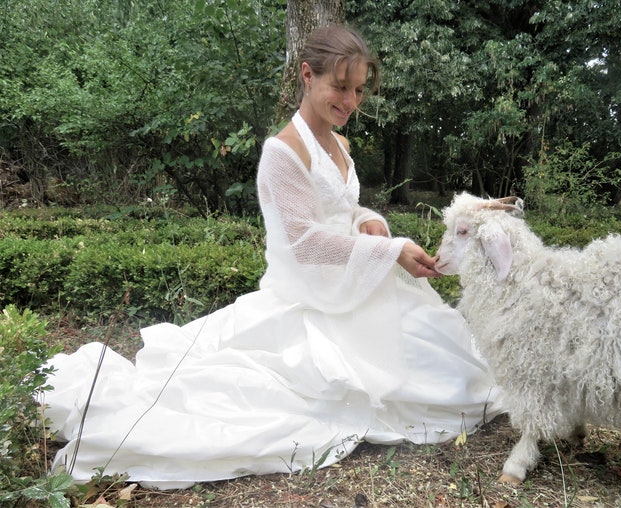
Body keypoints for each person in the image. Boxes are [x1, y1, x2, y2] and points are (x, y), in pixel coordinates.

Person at [43, 25, 501, 490]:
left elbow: (342, 208)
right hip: (310, 296)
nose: (350, 101)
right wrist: (391, 249)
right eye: (340, 87)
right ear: (307, 74)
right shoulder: (281, 153)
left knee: (450, 358)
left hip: (351, 284)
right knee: (407, 381)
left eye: (359, 90)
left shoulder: (340, 144)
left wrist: (370, 220)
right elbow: (304, 243)